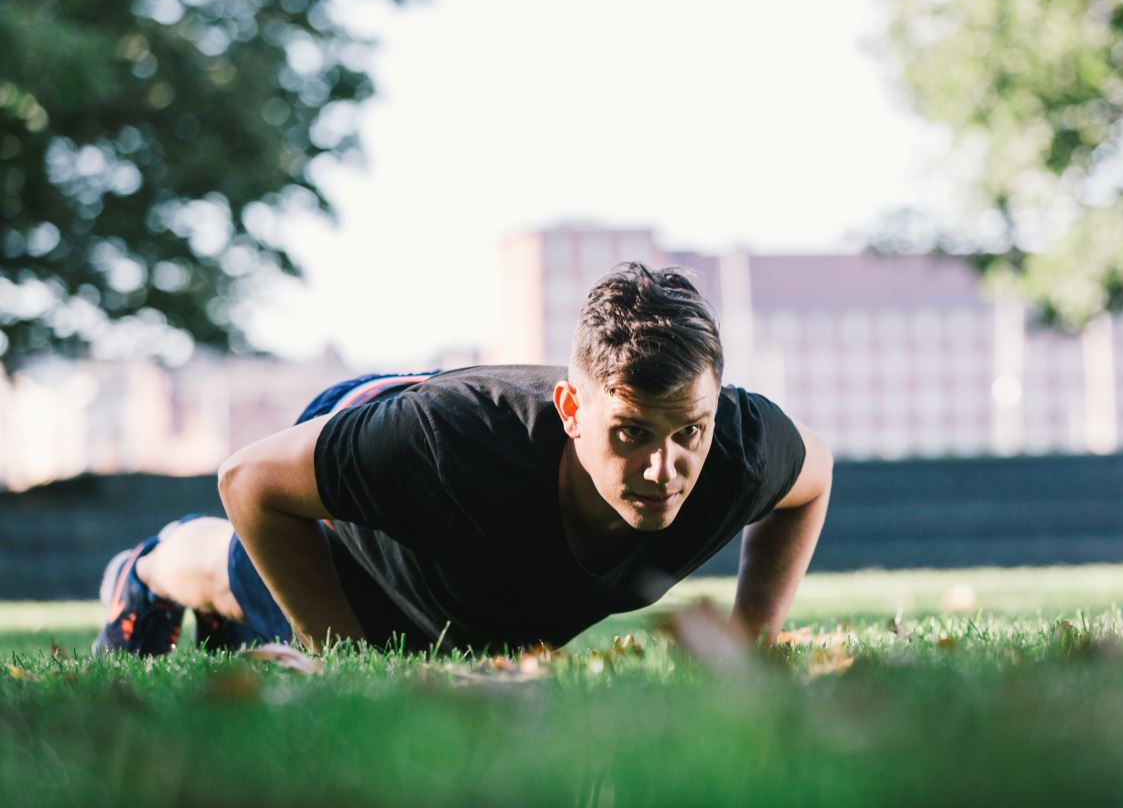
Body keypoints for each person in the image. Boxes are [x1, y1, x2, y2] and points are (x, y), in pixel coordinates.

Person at [93, 262, 832, 656]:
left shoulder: (738, 446)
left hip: (472, 589)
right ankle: (147, 570)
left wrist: (752, 641)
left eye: (687, 433)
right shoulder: (447, 446)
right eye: (631, 433)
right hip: (368, 514)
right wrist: (344, 660)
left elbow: (814, 477)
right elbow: (247, 478)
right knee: (238, 574)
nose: (662, 467)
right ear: (574, 414)